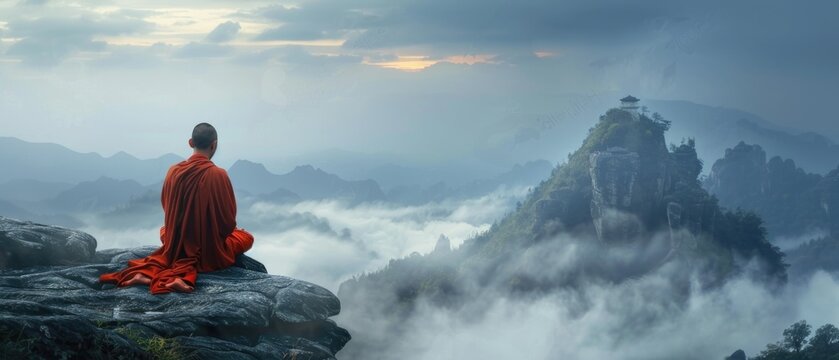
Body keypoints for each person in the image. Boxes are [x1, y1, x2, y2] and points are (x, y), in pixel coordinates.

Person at [99, 123, 254, 294]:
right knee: (246, 237)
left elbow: (168, 209)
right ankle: (179, 277)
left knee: (165, 231)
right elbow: (227, 223)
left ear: (190, 143)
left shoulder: (173, 171)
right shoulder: (219, 174)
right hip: (209, 250)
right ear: (214, 145)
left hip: (176, 244)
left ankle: (146, 275)